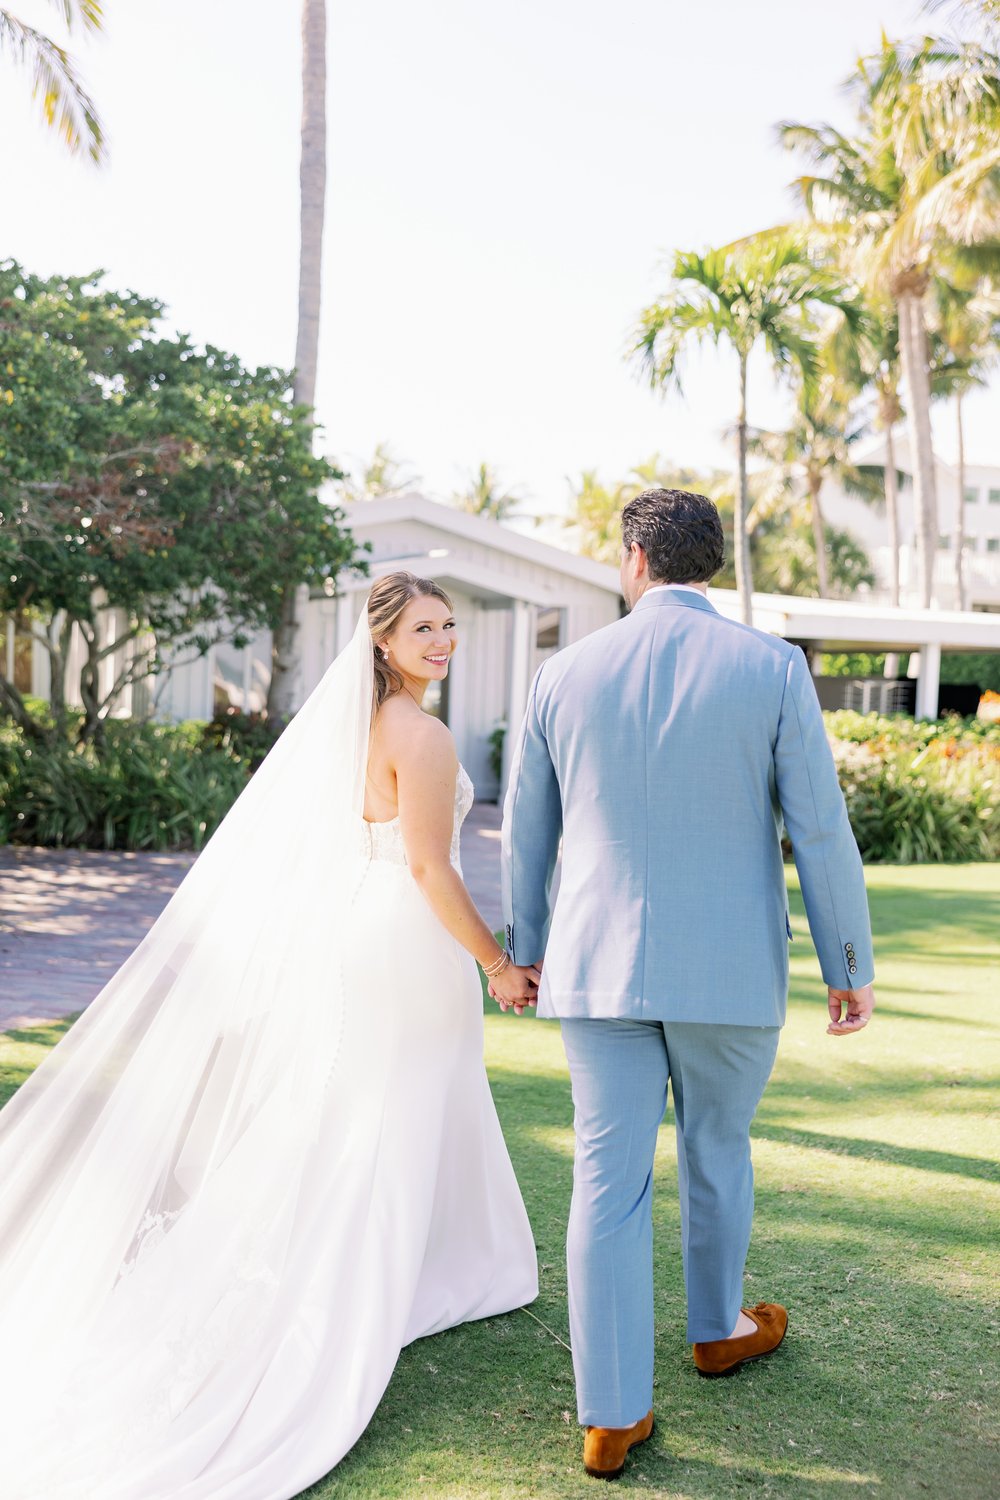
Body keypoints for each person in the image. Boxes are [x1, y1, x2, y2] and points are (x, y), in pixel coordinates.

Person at [0, 571, 539, 1499]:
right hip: (404, 936)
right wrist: (497, 963)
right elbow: (428, 866)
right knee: (389, 1110)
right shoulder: (424, 734)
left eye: (449, 626)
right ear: (382, 640)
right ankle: (393, 1277)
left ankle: (436, 1260)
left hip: (355, 931)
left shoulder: (356, 728)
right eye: (424, 629)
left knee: (362, 1102)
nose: (443, 641)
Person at [499, 488, 875, 1481]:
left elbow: (528, 833)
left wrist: (524, 949)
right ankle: (715, 1329)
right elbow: (819, 831)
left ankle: (611, 1415)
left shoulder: (562, 673)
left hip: (595, 967)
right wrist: (847, 966)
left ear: (634, 558)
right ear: (709, 561)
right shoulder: (773, 668)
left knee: (605, 1182)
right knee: (718, 1149)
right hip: (729, 968)